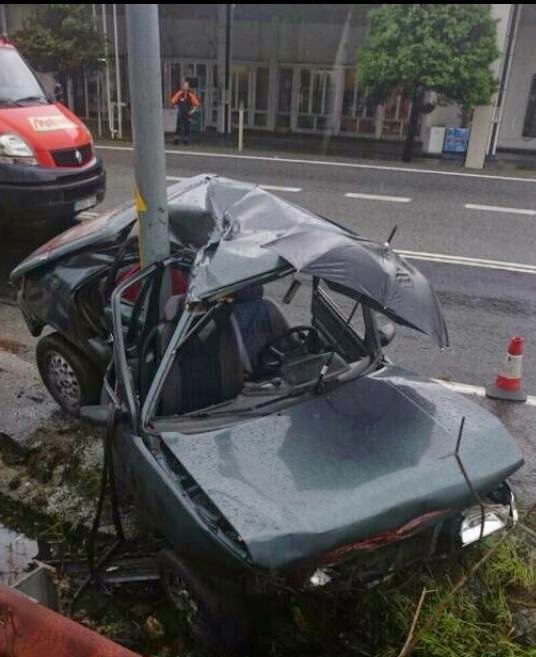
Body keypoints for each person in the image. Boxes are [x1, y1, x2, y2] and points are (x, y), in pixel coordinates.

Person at [170, 79, 200, 145]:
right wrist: (176, 109)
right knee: (179, 126)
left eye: (186, 86)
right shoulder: (179, 94)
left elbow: (196, 104)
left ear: (188, 87)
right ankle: (176, 139)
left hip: (187, 113)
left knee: (187, 127)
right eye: (184, 86)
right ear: (182, 87)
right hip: (180, 112)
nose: (185, 87)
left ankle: (186, 139)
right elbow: (173, 101)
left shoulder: (190, 95)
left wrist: (192, 111)